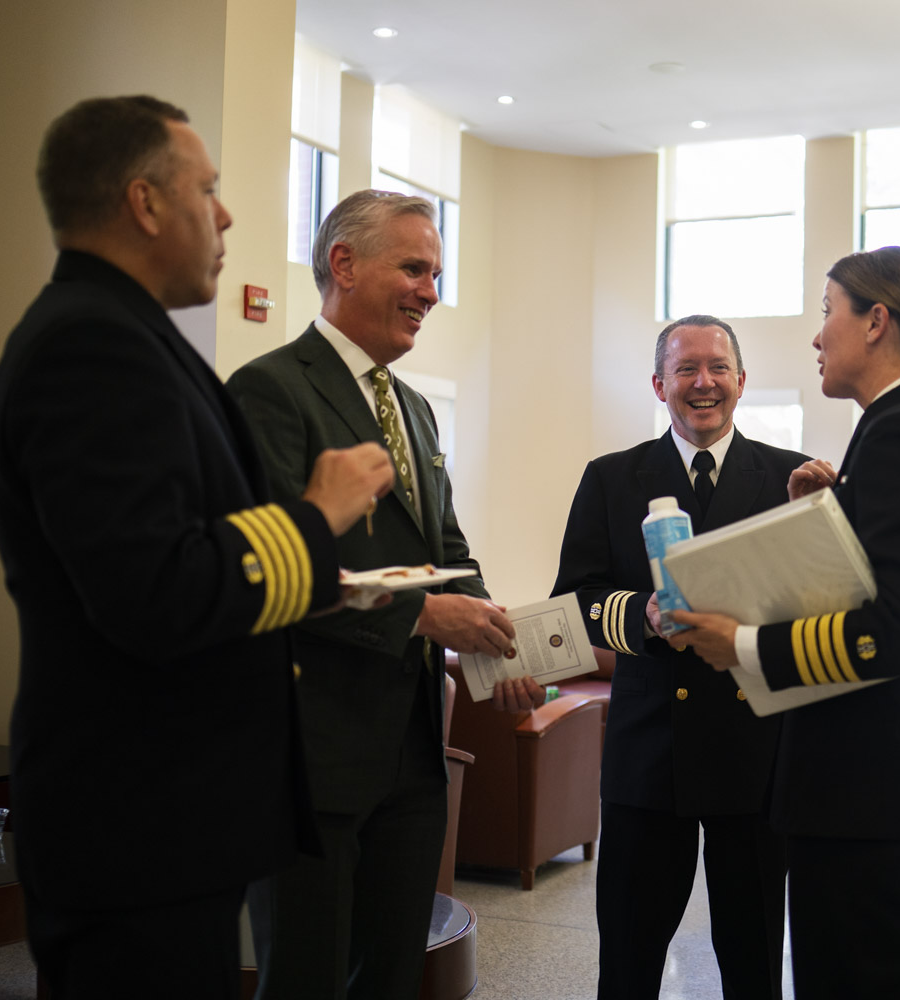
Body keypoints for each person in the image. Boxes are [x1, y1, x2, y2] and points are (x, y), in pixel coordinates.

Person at [0, 95, 394, 999]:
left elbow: (200, 547)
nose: (228, 213)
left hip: (170, 819)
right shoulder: (90, 346)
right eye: (206, 188)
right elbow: (155, 592)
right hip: (139, 820)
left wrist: (329, 583)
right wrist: (316, 516)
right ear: (145, 203)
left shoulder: (129, 337)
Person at [225, 189, 528, 1000]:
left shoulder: (417, 411)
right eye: (415, 267)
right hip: (309, 756)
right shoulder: (269, 391)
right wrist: (425, 616)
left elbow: (447, 552)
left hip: (411, 757)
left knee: (394, 973)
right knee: (306, 977)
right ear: (344, 263)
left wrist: (497, 640)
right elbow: (273, 571)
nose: (431, 290)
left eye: (436, 272)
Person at [673, 247, 900, 999]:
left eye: (826, 313)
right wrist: (836, 513)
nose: (817, 337)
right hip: (875, 793)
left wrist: (741, 644)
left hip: (872, 796)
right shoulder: (898, 426)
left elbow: (898, 629)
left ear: (876, 321)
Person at [551, 316, 807, 1000]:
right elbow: (574, 602)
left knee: (754, 962)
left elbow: (819, 605)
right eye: (686, 369)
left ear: (742, 382)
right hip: (648, 756)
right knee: (629, 962)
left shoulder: (790, 479)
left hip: (754, 756)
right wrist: (643, 616)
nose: (703, 383)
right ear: (660, 384)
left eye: (718, 368)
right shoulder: (611, 478)